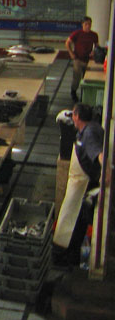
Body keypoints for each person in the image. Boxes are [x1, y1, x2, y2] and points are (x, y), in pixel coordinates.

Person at [53, 103, 105, 265]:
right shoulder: (91, 128)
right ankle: (70, 256)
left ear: (76, 116)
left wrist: (107, 173)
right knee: (77, 220)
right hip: (80, 183)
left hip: (83, 186)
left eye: (73, 116)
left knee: (71, 219)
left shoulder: (89, 134)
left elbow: (99, 154)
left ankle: (65, 256)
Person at [66, 16, 99, 103]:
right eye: (86, 24)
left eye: (89, 24)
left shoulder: (94, 35)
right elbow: (67, 42)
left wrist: (94, 52)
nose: (88, 26)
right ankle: (73, 92)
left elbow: (97, 46)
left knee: (86, 78)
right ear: (82, 25)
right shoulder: (77, 33)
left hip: (88, 60)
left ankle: (84, 95)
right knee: (76, 77)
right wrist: (71, 53)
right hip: (78, 59)